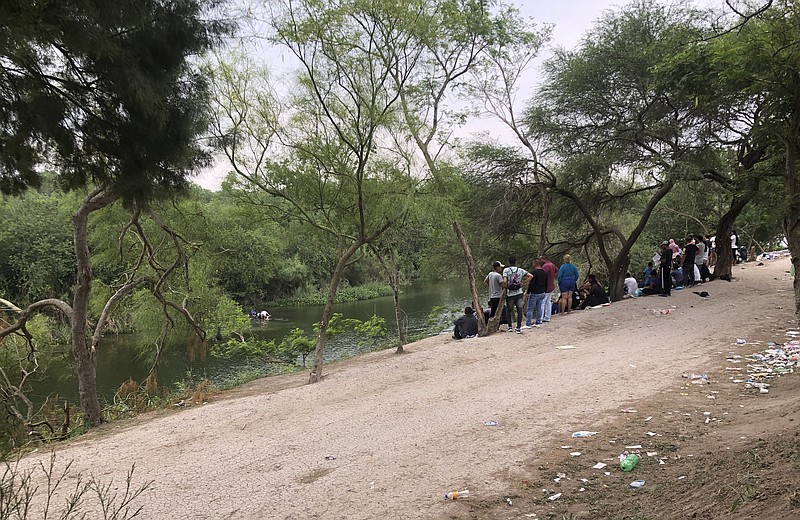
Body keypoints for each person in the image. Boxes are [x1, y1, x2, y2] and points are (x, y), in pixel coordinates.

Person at [503, 257, 532, 334]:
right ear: (515, 262)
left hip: (510, 293)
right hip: (519, 292)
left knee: (509, 309)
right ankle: (518, 327)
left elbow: (505, 281)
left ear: (509, 262)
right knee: (519, 310)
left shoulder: (506, 270)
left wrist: (505, 287)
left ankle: (510, 326)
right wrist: (523, 283)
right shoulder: (520, 270)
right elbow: (531, 276)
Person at [523, 258, 549, 328]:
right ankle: (538, 322)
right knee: (539, 307)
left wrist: (528, 292)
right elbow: (546, 283)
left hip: (535, 292)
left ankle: (528, 324)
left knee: (530, 308)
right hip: (542, 292)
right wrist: (545, 291)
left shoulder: (533, 272)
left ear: (535, 264)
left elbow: (531, 283)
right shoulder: (545, 273)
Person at [483, 261, 504, 326]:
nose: (501, 268)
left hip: (492, 296)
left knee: (493, 312)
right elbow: (502, 285)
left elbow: (485, 281)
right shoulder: (498, 276)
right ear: (497, 267)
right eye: (500, 267)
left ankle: (490, 325)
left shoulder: (490, 274)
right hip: (498, 296)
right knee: (498, 312)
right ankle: (497, 326)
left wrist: (491, 286)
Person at [540, 256, 558, 323]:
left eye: (541, 259)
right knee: (548, 302)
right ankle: (547, 316)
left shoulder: (545, 266)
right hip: (551, 285)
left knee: (542, 302)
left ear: (544, 259)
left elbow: (542, 275)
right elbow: (556, 270)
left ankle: (540, 317)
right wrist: (552, 276)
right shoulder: (552, 264)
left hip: (546, 287)